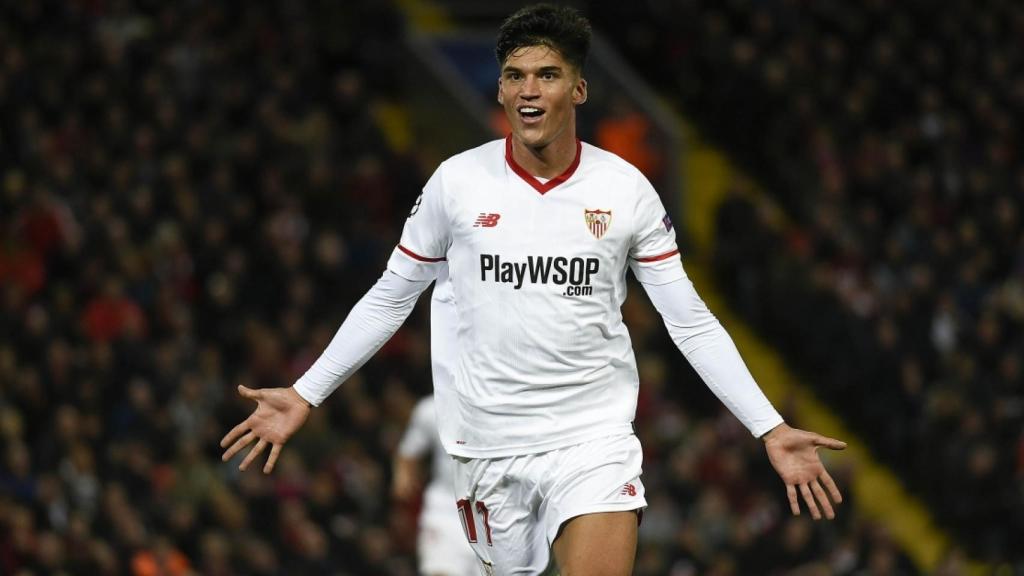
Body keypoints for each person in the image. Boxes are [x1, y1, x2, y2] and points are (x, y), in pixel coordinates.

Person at [221, 4, 847, 574]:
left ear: (578, 88)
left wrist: (768, 426)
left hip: (592, 439)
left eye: (546, 74)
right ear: (499, 89)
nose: (528, 89)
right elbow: (391, 295)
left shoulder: (625, 191)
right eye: (515, 75)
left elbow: (689, 320)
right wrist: (307, 391)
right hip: (486, 447)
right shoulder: (456, 183)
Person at [393, 395, 479, 576]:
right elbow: (408, 453)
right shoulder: (431, 409)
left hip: (492, 516)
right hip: (445, 511)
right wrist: (403, 479)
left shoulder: (501, 404)